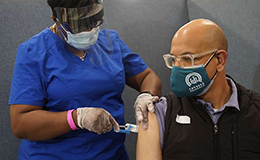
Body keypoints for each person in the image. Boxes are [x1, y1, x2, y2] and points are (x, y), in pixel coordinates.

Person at [9, 0, 162, 159]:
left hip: (112, 154)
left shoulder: (110, 42)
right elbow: (21, 123)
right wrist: (76, 118)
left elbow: (147, 77)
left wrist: (146, 96)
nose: (89, 30)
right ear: (56, 19)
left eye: (93, 21)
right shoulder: (34, 53)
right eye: (80, 25)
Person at [136, 19, 260, 160]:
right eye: (174, 59)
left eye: (187, 59)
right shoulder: (160, 113)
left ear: (219, 60)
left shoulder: (255, 109)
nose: (178, 67)